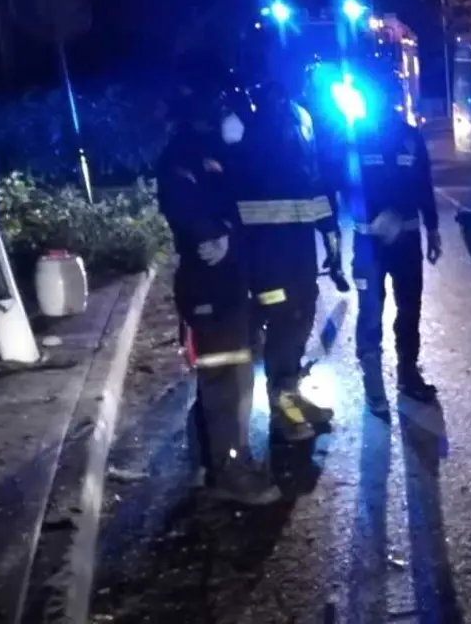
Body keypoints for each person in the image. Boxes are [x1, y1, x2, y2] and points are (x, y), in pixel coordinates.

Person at [158, 53, 280, 505]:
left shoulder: (219, 153)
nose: (229, 111)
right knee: (225, 380)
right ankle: (229, 471)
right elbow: (184, 205)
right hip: (210, 285)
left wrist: (228, 232)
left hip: (230, 283)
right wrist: (217, 234)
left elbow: (241, 200)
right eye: (222, 104)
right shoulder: (184, 156)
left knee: (228, 377)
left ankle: (210, 462)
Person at [233, 75, 347, 442]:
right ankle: (284, 411)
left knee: (300, 313)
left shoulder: (300, 117)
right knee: (282, 322)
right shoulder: (241, 121)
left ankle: (292, 396)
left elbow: (315, 179)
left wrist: (329, 230)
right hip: (263, 251)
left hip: (297, 248)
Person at [339, 65, 442, 415]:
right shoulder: (354, 137)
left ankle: (407, 373)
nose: (388, 102)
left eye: (391, 95)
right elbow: (344, 184)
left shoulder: (410, 137)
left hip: (408, 240)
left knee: (409, 309)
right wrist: (374, 214)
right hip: (370, 243)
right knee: (370, 311)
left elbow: (423, 185)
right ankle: (372, 380)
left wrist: (433, 229)